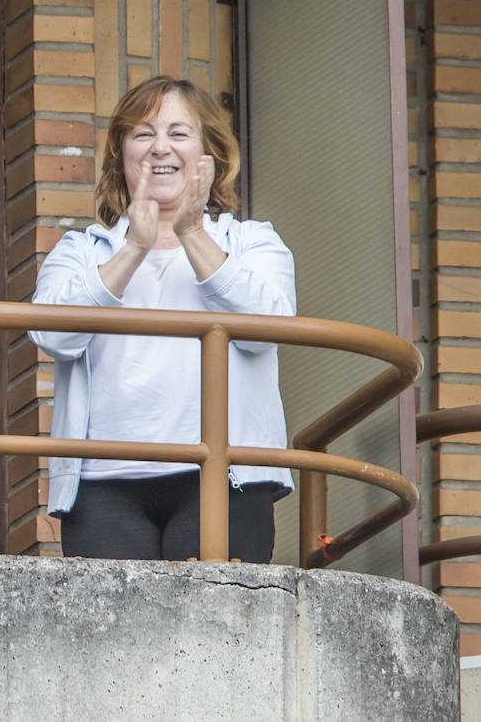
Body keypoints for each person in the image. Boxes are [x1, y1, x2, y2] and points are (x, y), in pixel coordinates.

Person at [29, 76, 296, 562]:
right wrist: (134, 247)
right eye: (142, 134)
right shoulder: (82, 250)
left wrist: (191, 232)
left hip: (225, 477)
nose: (160, 148)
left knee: (221, 635)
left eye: (178, 133)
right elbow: (52, 334)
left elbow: (269, 329)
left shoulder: (254, 242)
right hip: (103, 483)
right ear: (122, 156)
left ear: (208, 154)